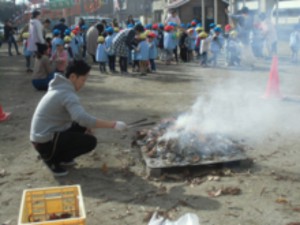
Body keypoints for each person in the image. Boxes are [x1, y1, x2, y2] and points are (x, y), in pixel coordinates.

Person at [30, 60, 128, 176]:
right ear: (72, 77)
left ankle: (62, 157)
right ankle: (52, 160)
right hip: (44, 141)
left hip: (43, 138)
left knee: (82, 127)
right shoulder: (66, 94)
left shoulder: (60, 88)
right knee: (90, 141)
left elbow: (77, 119)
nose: (84, 84)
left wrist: (85, 126)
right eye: (83, 80)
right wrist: (114, 124)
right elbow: (82, 118)